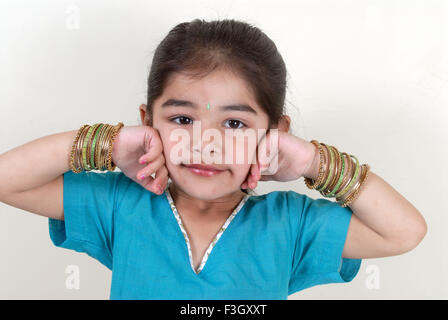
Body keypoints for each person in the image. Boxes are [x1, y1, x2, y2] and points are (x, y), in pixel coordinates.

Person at [0, 19, 427, 300]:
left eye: (235, 124)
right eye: (182, 118)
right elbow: (8, 179)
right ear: (147, 122)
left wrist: (314, 161)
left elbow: (404, 232)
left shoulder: (290, 224)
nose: (206, 143)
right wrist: (108, 145)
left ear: (275, 133)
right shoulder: (120, 206)